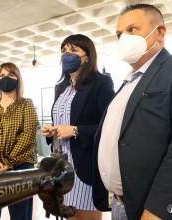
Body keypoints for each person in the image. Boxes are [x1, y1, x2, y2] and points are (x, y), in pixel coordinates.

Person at [92, 3, 172, 220]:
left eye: (132, 30)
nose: (123, 39)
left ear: (159, 32)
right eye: (119, 34)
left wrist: (161, 209)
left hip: (153, 209)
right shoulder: (128, 82)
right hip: (121, 205)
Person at [40, 34, 115, 220]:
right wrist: (52, 130)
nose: (67, 54)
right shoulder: (62, 87)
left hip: (85, 163)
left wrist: (75, 130)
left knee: (86, 215)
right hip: (63, 164)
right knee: (68, 214)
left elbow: (110, 123)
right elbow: (62, 120)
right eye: (64, 50)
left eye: (74, 50)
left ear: (87, 56)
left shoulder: (101, 83)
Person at [0, 62, 38, 220]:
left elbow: (28, 135)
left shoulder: (26, 104)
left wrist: (6, 163)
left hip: (20, 168)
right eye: (1, 75)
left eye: (11, 75)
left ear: (18, 78)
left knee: (20, 216)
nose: (6, 78)